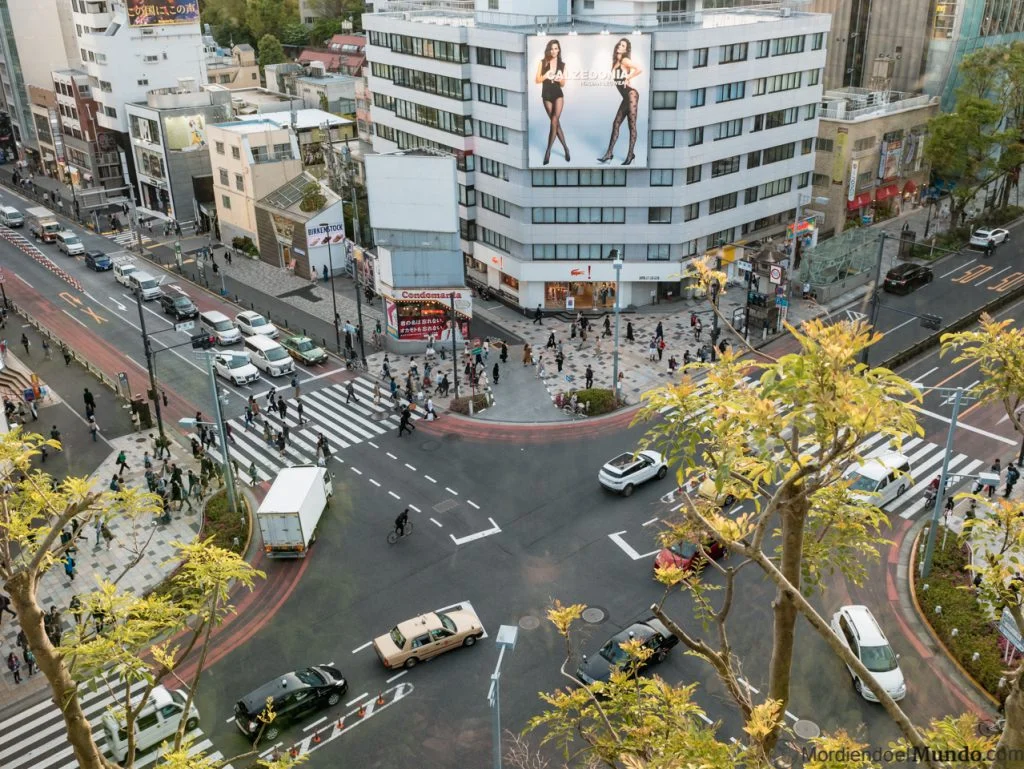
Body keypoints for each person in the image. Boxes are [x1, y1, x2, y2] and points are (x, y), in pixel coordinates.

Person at [598, 38, 642, 166]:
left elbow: (639, 68)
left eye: (623, 45)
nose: (620, 46)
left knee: (631, 126)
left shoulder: (624, 60)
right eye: (619, 44)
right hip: (626, 97)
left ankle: (630, 155)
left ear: (626, 49)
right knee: (616, 123)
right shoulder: (616, 62)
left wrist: (628, 77)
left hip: (631, 95)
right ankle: (609, 153)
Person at [535, 39, 570, 166]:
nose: (554, 51)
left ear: (559, 50)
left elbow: (563, 84)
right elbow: (537, 80)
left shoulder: (562, 64)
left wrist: (560, 79)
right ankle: (566, 148)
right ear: (548, 50)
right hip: (546, 95)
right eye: (551, 48)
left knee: (554, 120)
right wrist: (547, 75)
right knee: (556, 124)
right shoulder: (543, 62)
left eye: (556, 48)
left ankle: (548, 151)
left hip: (558, 94)